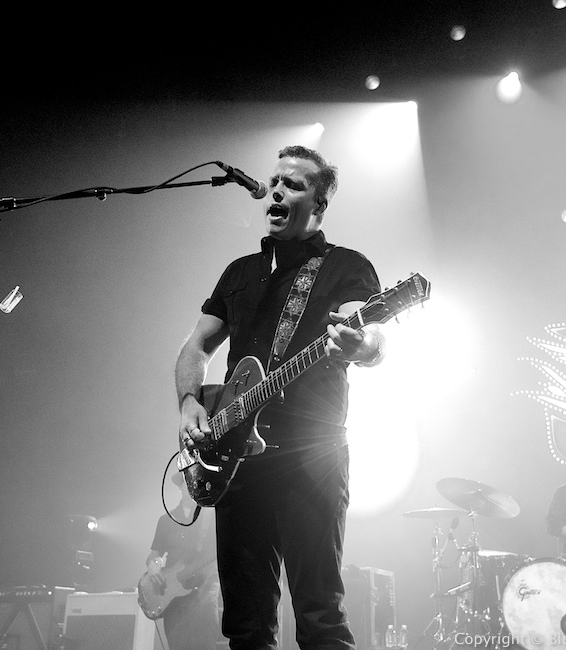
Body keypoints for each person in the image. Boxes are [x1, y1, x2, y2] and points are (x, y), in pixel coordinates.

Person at [174, 145, 385, 649]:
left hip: (311, 454)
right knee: (245, 622)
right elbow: (196, 346)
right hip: (236, 457)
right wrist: (188, 402)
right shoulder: (240, 272)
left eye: (293, 185)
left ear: (319, 204)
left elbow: (374, 337)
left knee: (319, 614)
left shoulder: (346, 266)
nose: (277, 190)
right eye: (275, 181)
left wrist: (361, 346)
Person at [141, 472, 225, 649]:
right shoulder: (166, 520)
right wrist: (154, 567)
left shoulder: (213, 516)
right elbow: (153, 556)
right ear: (180, 487)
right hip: (173, 599)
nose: (192, 487)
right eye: (187, 484)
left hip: (204, 594)